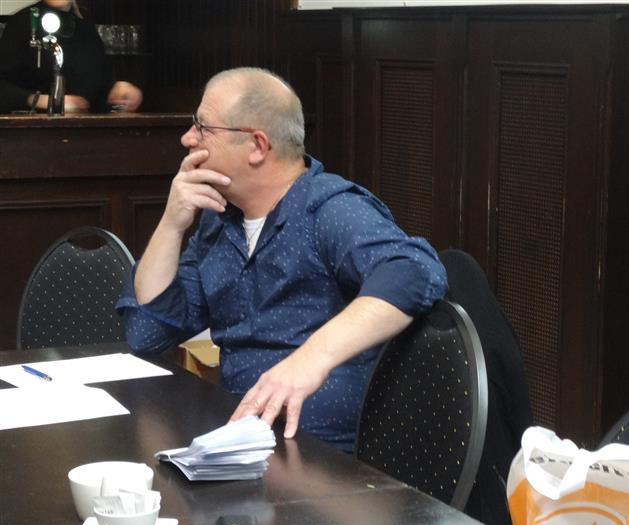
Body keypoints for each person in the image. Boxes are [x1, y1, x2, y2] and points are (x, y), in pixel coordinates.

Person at [117, 67, 447, 452]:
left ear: (257, 146)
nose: (188, 138)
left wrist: (311, 358)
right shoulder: (219, 220)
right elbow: (147, 335)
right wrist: (172, 224)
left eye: (204, 127)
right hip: (239, 439)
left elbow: (414, 270)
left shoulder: (329, 209)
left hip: (323, 456)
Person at [0, 0, 142, 113]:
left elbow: (97, 87)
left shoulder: (84, 27)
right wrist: (41, 101)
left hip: (82, 132)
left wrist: (118, 90)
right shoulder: (23, 22)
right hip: (32, 131)